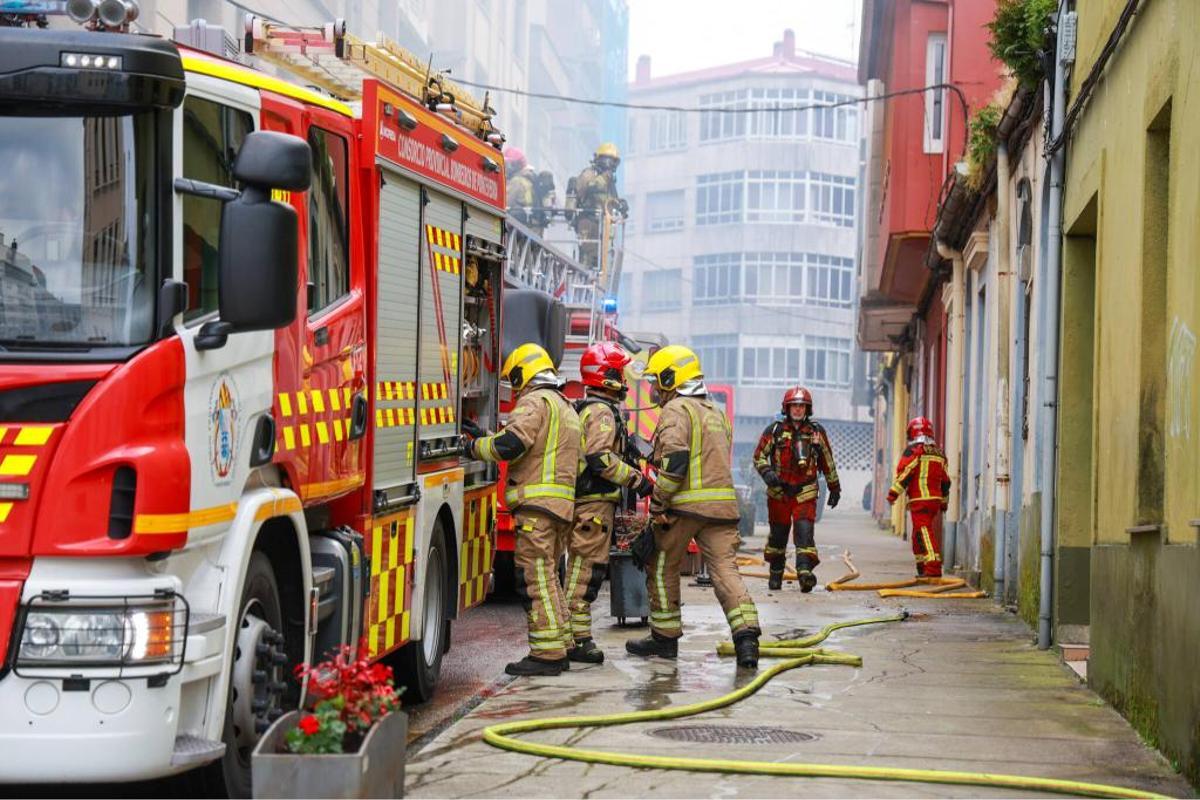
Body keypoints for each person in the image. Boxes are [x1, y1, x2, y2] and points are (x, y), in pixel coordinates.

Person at [625, 345, 761, 669]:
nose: (655, 389)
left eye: (658, 382)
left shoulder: (676, 410)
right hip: (722, 510)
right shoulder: (715, 412)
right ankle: (747, 641)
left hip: (684, 508)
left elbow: (676, 461)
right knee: (726, 571)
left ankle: (664, 638)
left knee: (660, 565)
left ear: (672, 378)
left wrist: (657, 504)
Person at [467, 343, 581, 676]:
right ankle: (562, 642)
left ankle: (546, 655)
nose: (515, 389)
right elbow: (536, 448)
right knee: (549, 578)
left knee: (534, 579)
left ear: (522, 374)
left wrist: (472, 446)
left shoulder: (535, 401)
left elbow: (511, 446)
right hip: (560, 507)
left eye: (514, 380)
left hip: (536, 508)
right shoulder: (565, 407)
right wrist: (489, 435)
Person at [565, 342, 655, 664]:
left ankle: (576, 636)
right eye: (620, 372)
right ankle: (577, 639)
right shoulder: (602, 413)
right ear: (608, 376)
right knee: (585, 571)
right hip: (592, 504)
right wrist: (638, 480)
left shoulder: (594, 408)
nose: (625, 379)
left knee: (586, 569)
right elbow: (601, 458)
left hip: (592, 503)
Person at [752, 386, 841, 592]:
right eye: (794, 406)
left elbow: (827, 460)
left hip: (805, 491)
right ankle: (776, 573)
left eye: (802, 406)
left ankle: (804, 573)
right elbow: (759, 456)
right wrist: (767, 474)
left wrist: (834, 487)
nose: (798, 410)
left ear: (807, 409)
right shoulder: (774, 430)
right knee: (778, 536)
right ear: (787, 408)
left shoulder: (816, 432)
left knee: (804, 532)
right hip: (779, 493)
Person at [886, 417, 951, 577]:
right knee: (917, 535)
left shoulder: (914, 451)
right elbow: (946, 481)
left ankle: (933, 567)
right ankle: (921, 567)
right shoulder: (939, 453)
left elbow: (905, 473)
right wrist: (943, 503)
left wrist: (892, 495)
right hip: (934, 501)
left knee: (923, 532)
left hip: (920, 500)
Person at [569, 143, 623, 269]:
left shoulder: (610, 181)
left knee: (601, 260)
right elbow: (585, 190)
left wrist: (621, 205)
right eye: (606, 160)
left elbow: (610, 201)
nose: (608, 164)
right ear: (598, 159)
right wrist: (603, 179)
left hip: (603, 224)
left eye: (611, 161)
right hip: (587, 222)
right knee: (586, 257)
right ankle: (582, 280)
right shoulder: (589, 175)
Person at [504, 146, 536, 220]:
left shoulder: (516, 181)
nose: (507, 167)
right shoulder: (526, 178)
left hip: (516, 220)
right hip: (525, 220)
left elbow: (506, 203)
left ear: (517, 165)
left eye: (510, 164)